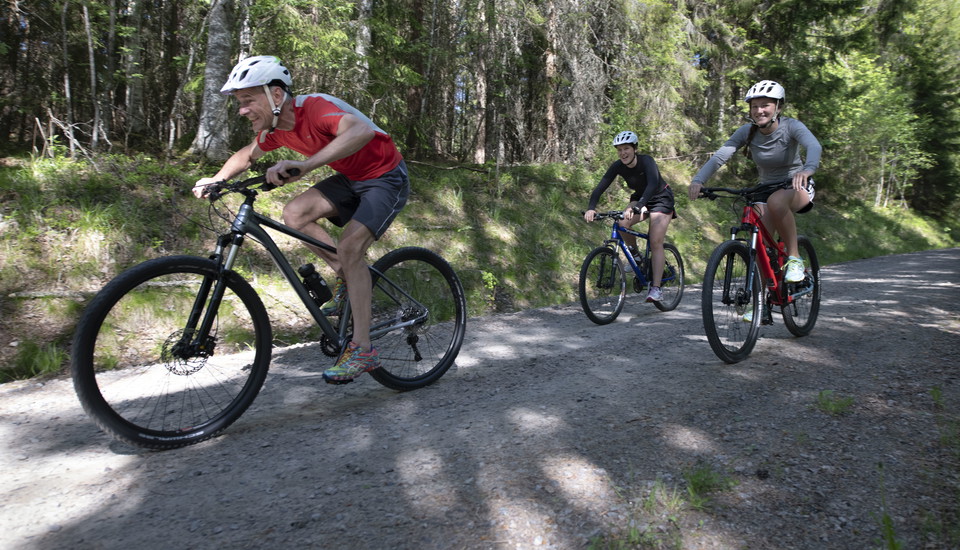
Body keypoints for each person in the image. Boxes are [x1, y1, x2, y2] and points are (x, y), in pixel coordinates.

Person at [192, 55, 410, 384]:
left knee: (352, 248)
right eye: (239, 102)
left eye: (248, 100)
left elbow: (362, 131)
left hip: (385, 177)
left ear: (276, 96)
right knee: (293, 212)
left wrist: (306, 166)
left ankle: (363, 349)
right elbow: (246, 154)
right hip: (350, 178)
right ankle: (347, 277)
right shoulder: (276, 131)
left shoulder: (316, 108)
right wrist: (216, 178)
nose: (242, 110)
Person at [688, 80, 821, 289]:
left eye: (765, 105)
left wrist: (807, 169)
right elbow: (720, 157)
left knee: (777, 202)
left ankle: (794, 258)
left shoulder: (791, 126)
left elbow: (813, 145)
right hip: (765, 189)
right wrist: (698, 180)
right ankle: (760, 299)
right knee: (760, 245)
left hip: (796, 185)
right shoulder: (747, 131)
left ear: (778, 106)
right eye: (754, 106)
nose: (759, 110)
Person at [583, 130, 677, 303]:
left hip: (660, 198)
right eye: (619, 150)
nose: (623, 153)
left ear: (634, 149)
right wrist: (591, 208)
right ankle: (636, 255)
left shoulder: (647, 161)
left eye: (626, 148)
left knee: (655, 241)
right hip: (640, 198)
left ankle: (656, 289)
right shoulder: (617, 166)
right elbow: (600, 187)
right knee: (621, 222)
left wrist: (640, 206)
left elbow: (652, 184)